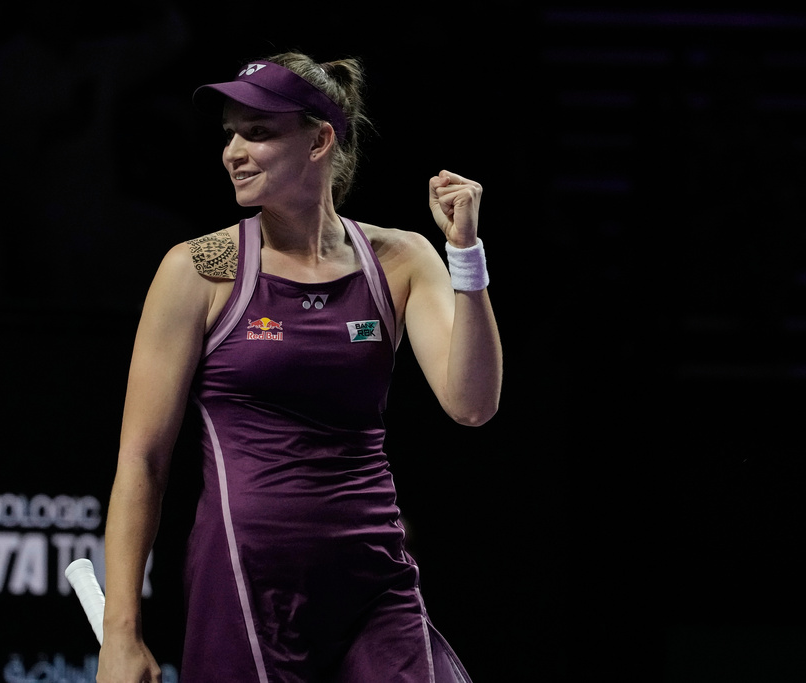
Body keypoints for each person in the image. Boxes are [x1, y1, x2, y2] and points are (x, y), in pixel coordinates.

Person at [97, 51, 502, 683]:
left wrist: (466, 257)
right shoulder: (198, 269)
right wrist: (121, 634)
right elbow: (142, 461)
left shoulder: (402, 258)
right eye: (229, 133)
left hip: (374, 576)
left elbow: (471, 403)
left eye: (257, 133)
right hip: (247, 579)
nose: (233, 150)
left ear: (319, 141)